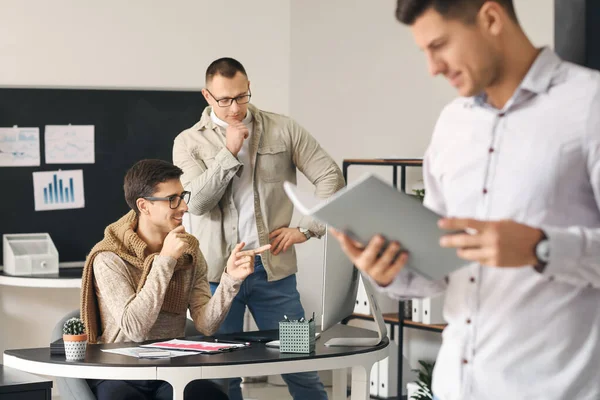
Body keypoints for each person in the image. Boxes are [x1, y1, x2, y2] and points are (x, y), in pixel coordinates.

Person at [331, 1, 600, 399]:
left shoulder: (589, 105)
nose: (433, 67)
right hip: (454, 387)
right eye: (424, 51)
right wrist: (389, 269)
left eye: (439, 44)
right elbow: (440, 266)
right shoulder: (452, 126)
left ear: (491, 19)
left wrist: (539, 247)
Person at [173, 57, 344, 400]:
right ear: (207, 96)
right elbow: (198, 204)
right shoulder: (188, 142)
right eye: (225, 99)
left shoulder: (283, 128)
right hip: (216, 280)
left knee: (301, 367)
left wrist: (307, 229)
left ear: (249, 87)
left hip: (275, 276)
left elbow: (331, 177)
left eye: (241, 96)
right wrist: (230, 150)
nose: (235, 107)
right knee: (222, 377)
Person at [80, 159, 270, 400]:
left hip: (171, 369)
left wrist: (230, 279)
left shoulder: (189, 251)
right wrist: (165, 260)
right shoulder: (109, 257)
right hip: (119, 370)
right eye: (172, 199)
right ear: (144, 206)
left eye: (183, 196)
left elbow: (205, 324)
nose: (184, 207)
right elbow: (135, 329)